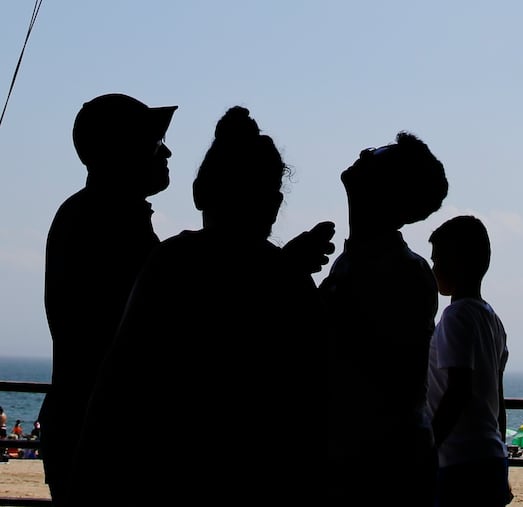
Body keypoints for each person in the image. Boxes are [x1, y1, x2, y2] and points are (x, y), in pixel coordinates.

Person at [67, 106, 334, 506]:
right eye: (157, 143)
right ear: (275, 203)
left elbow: (118, 379)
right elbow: (312, 406)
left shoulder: (169, 261)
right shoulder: (289, 283)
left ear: (199, 193)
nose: (167, 153)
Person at [38, 92, 178, 507]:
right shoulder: (112, 226)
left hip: (82, 426)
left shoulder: (86, 215)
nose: (166, 151)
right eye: (154, 143)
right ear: (123, 152)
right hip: (108, 433)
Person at [324, 132, 448, 507]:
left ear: (389, 189)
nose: (364, 151)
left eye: (377, 154)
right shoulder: (372, 262)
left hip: (374, 469)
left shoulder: (397, 271)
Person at [425, 215, 512, 507]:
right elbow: (498, 401)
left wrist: (427, 447)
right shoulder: (493, 321)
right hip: (491, 457)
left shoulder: (454, 316)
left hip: (458, 460)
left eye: (437, 261)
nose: (434, 269)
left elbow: (457, 390)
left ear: (457, 262)